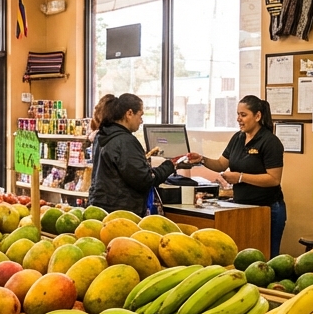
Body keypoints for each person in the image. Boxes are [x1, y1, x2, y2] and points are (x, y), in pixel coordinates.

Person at [184, 95, 287, 255]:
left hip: (267, 209)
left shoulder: (270, 142)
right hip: (242, 208)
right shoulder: (238, 138)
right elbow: (221, 164)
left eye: (243, 115)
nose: (238, 119)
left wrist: (240, 177)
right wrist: (202, 159)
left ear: (258, 116)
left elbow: (273, 179)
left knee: (267, 257)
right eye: (238, 114)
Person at [88, 93, 180, 216]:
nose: (141, 121)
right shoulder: (125, 141)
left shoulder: (103, 136)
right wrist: (170, 165)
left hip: (100, 208)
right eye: (140, 115)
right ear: (129, 113)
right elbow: (144, 179)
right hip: (122, 212)